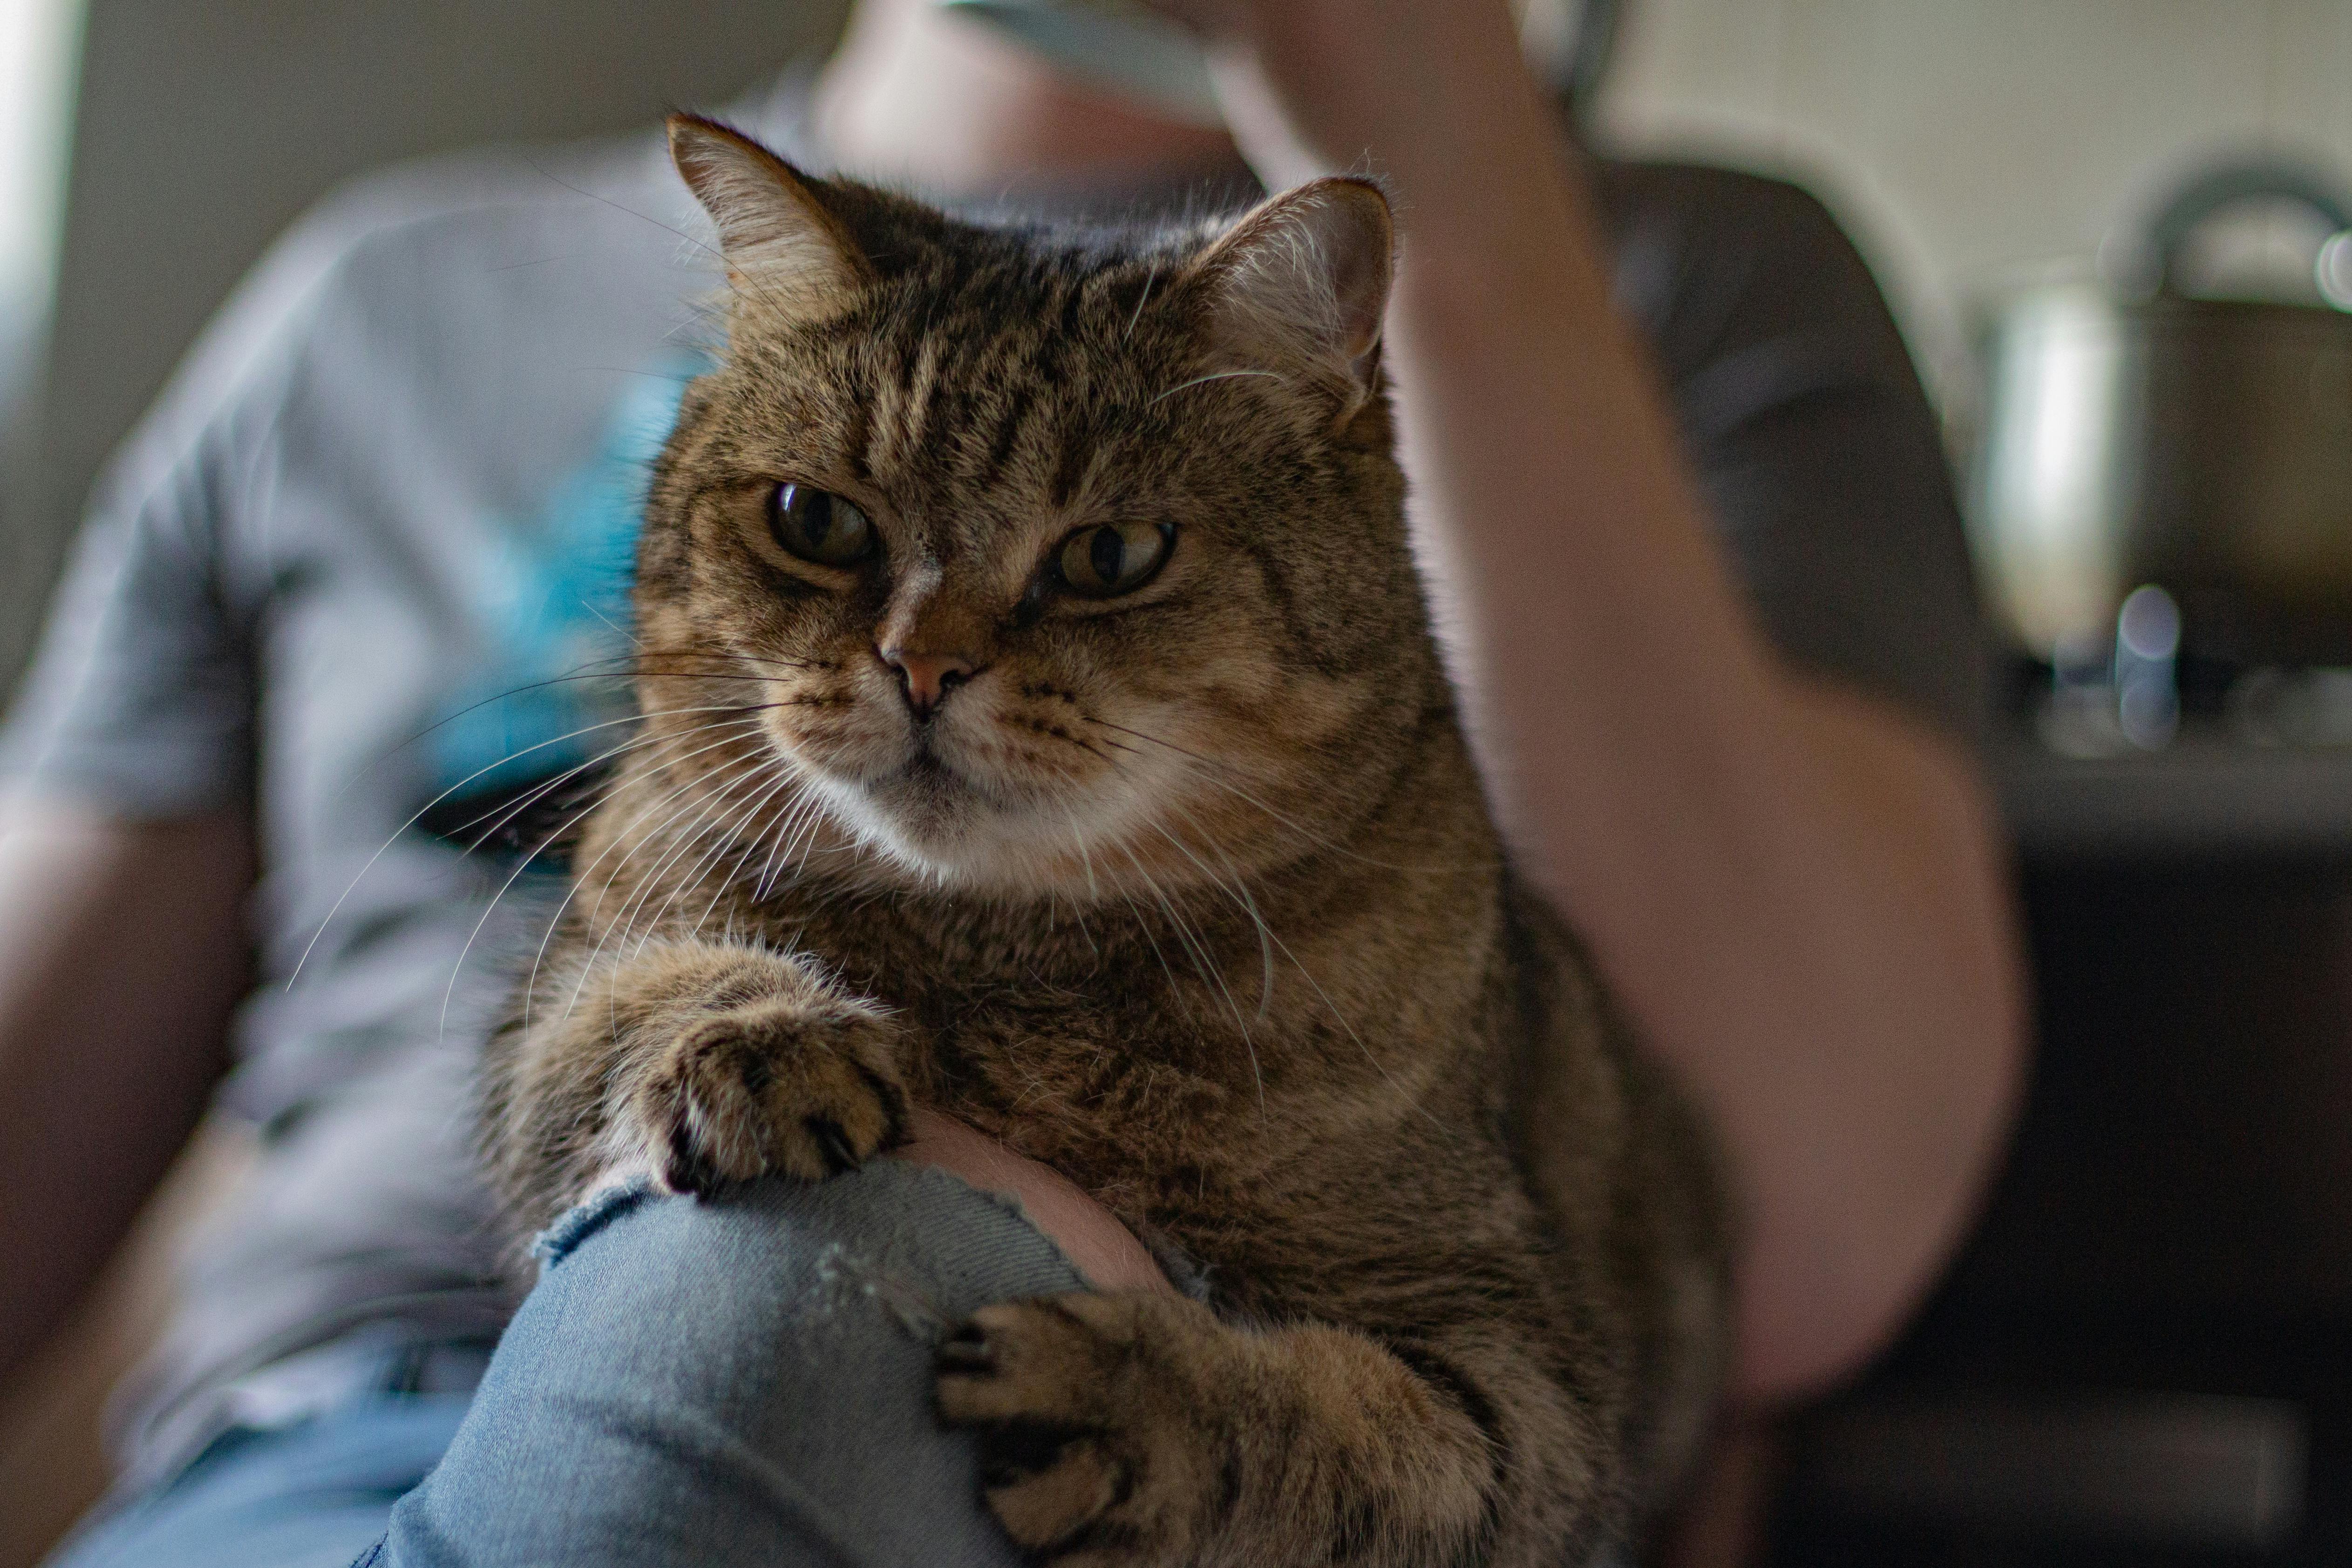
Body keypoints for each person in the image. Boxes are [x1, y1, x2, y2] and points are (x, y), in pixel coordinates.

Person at [0, 0, 2026, 1562]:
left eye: (1109, 566)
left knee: (782, 1304)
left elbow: (1804, 1249)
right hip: (346, 1445)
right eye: (808, 525)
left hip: (1196, 1462)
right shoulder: (379, 295)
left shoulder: (1681, 274)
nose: (928, 663)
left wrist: (1450, 155)